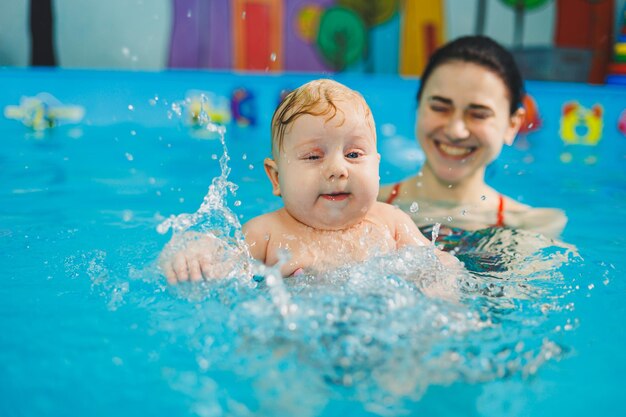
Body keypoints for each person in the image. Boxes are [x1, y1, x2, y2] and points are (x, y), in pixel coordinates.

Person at [160, 79, 456, 283]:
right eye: (314, 157)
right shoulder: (266, 234)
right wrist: (194, 252)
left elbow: (440, 267)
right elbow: (220, 258)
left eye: (353, 154)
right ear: (276, 178)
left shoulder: (392, 223)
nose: (338, 169)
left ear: (376, 168)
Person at [380, 36, 567, 240]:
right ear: (419, 106)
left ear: (512, 125)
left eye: (478, 114)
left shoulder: (533, 227)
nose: (455, 131)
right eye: (440, 108)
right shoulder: (367, 206)